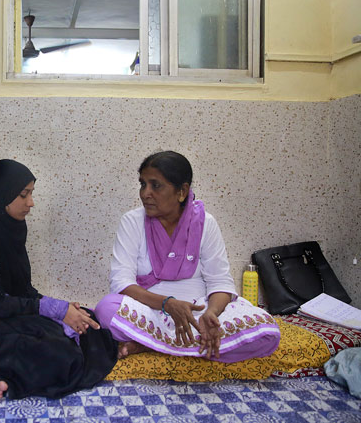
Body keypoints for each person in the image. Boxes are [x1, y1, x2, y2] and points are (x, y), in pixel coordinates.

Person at [0, 159, 117, 413]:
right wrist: (54, 310)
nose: (31, 203)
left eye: (31, 194)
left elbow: (23, 290)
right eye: (23, 194)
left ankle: (6, 371)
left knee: (86, 321)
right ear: (0, 192)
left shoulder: (8, 227)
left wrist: (62, 309)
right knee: (56, 350)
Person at [94, 151, 280, 362]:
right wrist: (168, 304)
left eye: (155, 185)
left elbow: (220, 282)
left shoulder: (206, 223)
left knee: (266, 331)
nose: (145, 193)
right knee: (105, 310)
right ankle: (190, 346)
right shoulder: (132, 221)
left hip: (198, 312)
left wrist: (212, 314)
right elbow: (121, 282)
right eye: (142, 184)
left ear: (182, 191)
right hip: (151, 310)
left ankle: (147, 344)